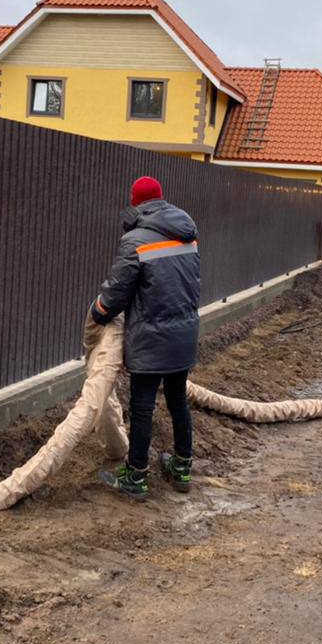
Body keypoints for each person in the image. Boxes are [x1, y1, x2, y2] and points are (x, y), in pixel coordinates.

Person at [91, 176, 200, 500]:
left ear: (136, 202)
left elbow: (118, 291)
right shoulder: (188, 234)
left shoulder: (135, 239)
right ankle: (181, 467)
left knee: (142, 407)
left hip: (151, 336)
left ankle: (135, 476)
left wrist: (98, 313)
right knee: (178, 399)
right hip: (184, 332)